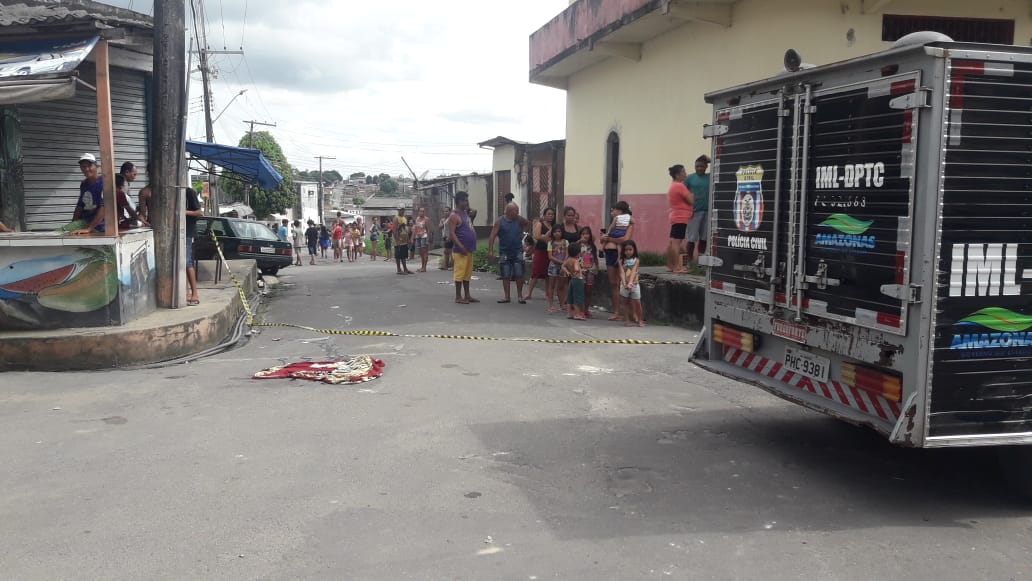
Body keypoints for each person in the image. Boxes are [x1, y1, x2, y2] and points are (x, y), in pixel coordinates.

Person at [486, 202, 531, 304]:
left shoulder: (519, 219)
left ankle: (520, 296)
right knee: (505, 274)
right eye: (516, 211)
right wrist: (490, 250)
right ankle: (507, 297)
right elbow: (492, 236)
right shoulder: (499, 221)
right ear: (509, 211)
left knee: (519, 273)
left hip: (517, 250)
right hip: (504, 252)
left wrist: (523, 233)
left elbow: (528, 223)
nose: (517, 212)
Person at [601, 201, 635, 321]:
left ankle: (629, 312)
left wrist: (609, 238)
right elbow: (605, 238)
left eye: (614, 209)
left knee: (625, 283)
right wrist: (603, 239)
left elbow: (625, 239)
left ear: (620, 211)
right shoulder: (614, 223)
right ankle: (616, 311)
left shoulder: (629, 224)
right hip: (609, 253)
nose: (612, 212)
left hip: (622, 255)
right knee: (613, 283)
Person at [448, 191, 479, 304]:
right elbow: (452, 234)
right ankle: (458, 296)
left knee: (467, 274)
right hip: (460, 251)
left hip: (469, 249)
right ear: (459, 201)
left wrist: (468, 207)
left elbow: (474, 211)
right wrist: (461, 246)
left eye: (467, 200)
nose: (466, 202)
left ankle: (467, 295)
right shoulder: (454, 215)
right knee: (459, 273)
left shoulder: (465, 213)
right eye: (465, 200)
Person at [667, 164, 694, 274]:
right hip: (681, 217)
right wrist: (692, 195)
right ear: (677, 175)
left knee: (672, 242)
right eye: (683, 172)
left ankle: (670, 265)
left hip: (676, 216)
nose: (685, 174)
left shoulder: (673, 185)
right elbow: (691, 200)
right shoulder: (679, 186)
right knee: (676, 243)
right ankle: (677, 267)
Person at [524, 206, 556, 301]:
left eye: (552, 214)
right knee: (535, 272)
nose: (551, 216)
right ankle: (529, 293)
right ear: (544, 215)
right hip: (540, 250)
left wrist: (546, 238)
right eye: (549, 214)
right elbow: (537, 236)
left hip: (550, 251)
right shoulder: (540, 224)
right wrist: (546, 238)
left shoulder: (554, 226)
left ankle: (547, 294)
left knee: (548, 274)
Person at [684, 154, 711, 263]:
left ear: (706, 167)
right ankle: (689, 261)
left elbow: (718, 166)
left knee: (704, 238)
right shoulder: (690, 178)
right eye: (697, 166)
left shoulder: (710, 177)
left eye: (701, 166)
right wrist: (686, 209)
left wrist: (709, 160)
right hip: (694, 213)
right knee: (692, 239)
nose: (699, 168)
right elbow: (682, 193)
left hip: (708, 213)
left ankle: (701, 261)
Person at [71, 153, 105, 235]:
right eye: (83, 166)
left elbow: (104, 208)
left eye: (89, 166)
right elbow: (80, 206)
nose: (86, 169)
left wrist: (89, 229)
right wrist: (73, 224)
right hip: (84, 222)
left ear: (96, 166)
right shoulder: (84, 184)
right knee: (61, 232)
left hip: (99, 225)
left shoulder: (104, 182)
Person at [184, 187, 203, 306]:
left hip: (187, 232)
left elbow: (199, 212)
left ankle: (194, 293)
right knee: (180, 263)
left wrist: (184, 212)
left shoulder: (189, 192)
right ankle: (186, 292)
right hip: (175, 231)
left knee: (187, 262)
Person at [620, 241, 644, 327]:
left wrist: (630, 283)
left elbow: (633, 271)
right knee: (624, 302)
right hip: (624, 285)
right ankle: (627, 320)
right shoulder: (621, 261)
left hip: (634, 284)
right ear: (623, 251)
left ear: (634, 250)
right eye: (626, 250)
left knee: (637, 302)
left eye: (630, 250)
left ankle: (640, 319)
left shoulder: (636, 260)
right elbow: (622, 272)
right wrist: (624, 283)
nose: (628, 252)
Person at [577, 226, 599, 317]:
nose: (585, 235)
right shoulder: (578, 245)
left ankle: (586, 309)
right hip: (581, 270)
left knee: (589, 290)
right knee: (581, 290)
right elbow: (572, 251)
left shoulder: (592, 246)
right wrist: (579, 241)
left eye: (587, 233)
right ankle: (580, 310)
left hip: (590, 271)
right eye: (583, 234)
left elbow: (595, 258)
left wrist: (597, 268)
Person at [546, 224, 568, 314]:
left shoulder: (565, 242)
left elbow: (567, 253)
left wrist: (564, 262)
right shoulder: (550, 243)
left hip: (563, 266)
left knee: (561, 286)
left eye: (559, 231)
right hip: (553, 266)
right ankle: (551, 304)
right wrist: (561, 262)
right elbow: (550, 256)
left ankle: (562, 304)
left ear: (562, 232)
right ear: (552, 233)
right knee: (551, 285)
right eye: (555, 232)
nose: (557, 233)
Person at [562, 244, 586, 321]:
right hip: (578, 279)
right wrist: (579, 271)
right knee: (577, 297)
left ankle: (569, 313)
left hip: (572, 280)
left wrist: (567, 272)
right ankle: (577, 314)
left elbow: (563, 266)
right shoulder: (575, 261)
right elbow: (576, 269)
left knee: (570, 297)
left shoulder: (568, 260)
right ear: (578, 253)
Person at [392, 208, 413, 275]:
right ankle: (399, 269)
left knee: (404, 255)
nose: (402, 211)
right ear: (398, 210)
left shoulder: (404, 218)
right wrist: (397, 240)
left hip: (404, 239)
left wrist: (408, 238)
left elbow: (405, 229)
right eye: (400, 210)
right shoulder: (396, 218)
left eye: (403, 210)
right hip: (398, 239)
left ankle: (405, 269)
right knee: (398, 255)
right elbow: (394, 230)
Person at [412, 207, 431, 272]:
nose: (421, 212)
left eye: (423, 211)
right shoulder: (417, 219)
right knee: (421, 253)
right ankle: (422, 266)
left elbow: (428, 230)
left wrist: (427, 239)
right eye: (420, 211)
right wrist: (413, 237)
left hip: (424, 237)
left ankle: (424, 267)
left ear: (424, 212)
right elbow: (415, 228)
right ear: (418, 212)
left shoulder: (426, 219)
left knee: (424, 252)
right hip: (418, 237)